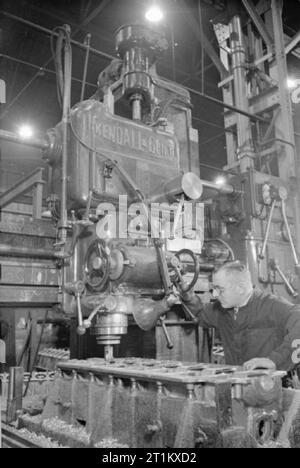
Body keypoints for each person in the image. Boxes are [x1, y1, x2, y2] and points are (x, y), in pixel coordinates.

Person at [181, 260, 300, 372]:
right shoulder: (222, 310)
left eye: (220, 289)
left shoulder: (272, 306)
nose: (215, 295)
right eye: (214, 289)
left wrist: (274, 360)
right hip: (237, 384)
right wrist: (189, 298)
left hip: (271, 386)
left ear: (241, 288)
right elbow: (199, 313)